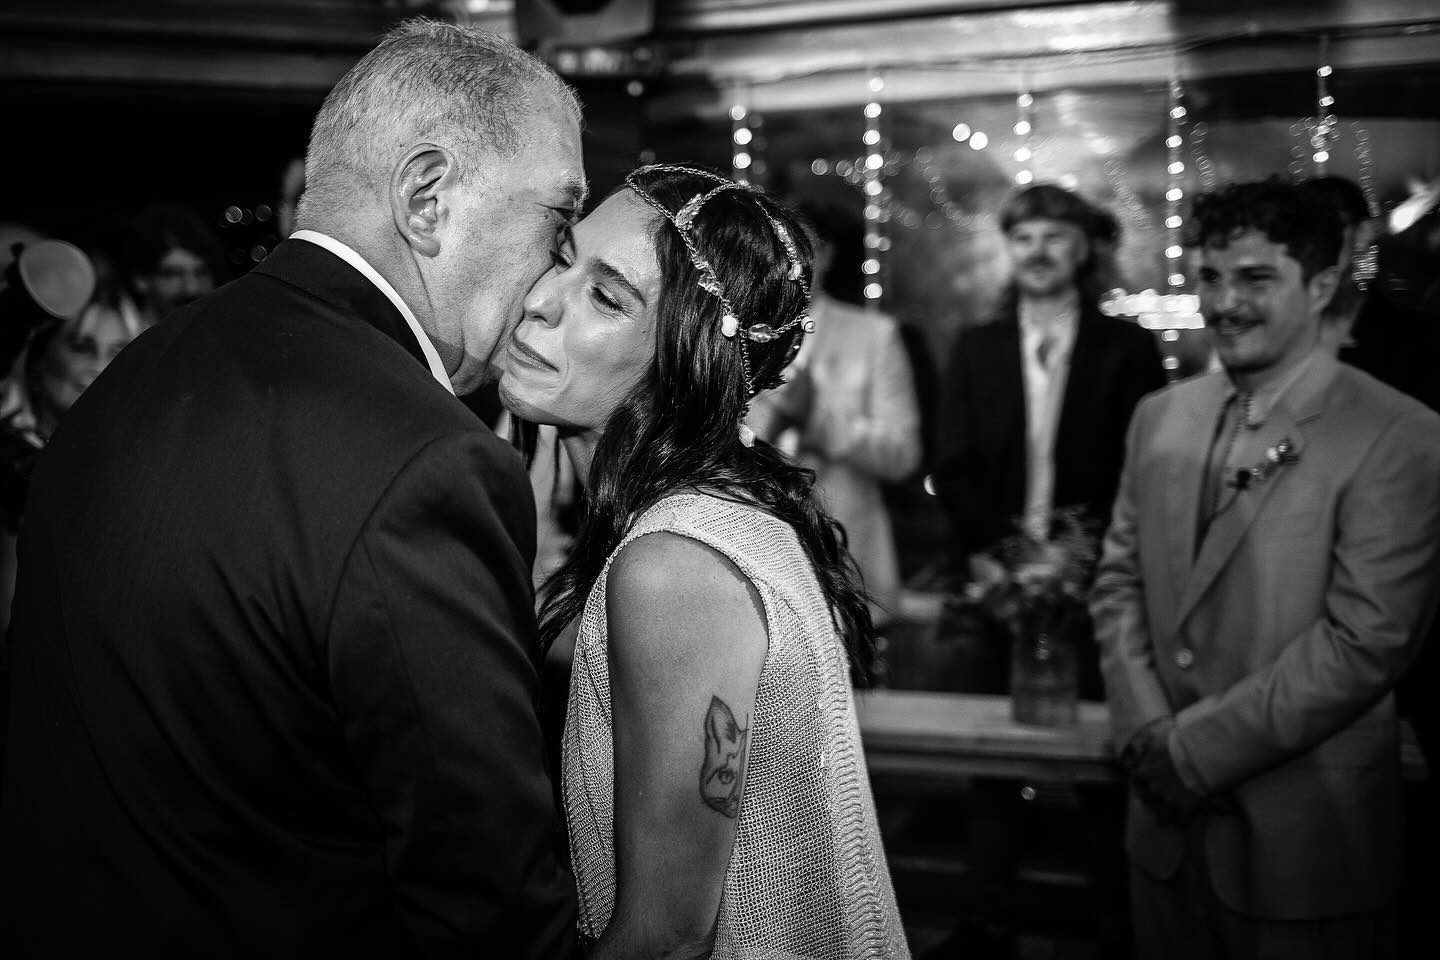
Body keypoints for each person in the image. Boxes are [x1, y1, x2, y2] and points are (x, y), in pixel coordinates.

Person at [0, 19, 585, 957]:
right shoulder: (425, 459)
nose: (557, 279)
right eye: (559, 222)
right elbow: (486, 901)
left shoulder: (132, 375)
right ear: (427, 199)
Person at [498, 163, 910, 958]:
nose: (540, 301)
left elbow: (667, 938)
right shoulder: (720, 508)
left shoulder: (674, 564)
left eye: (607, 296)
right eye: (560, 258)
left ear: (686, 358)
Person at [1090, 178, 1440, 960]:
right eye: (1210, 277)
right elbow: (1118, 583)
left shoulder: (1400, 433)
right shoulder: (1160, 414)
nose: (1223, 304)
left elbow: (1365, 641)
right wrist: (1147, 732)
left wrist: (1193, 751)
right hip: (1159, 831)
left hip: (1306, 843)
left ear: (1321, 285)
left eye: (1255, 279)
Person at [932, 182, 1166, 698]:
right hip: (990, 576)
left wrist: (1072, 556)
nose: (1037, 251)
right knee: (990, 743)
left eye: (1054, 237)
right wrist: (1014, 553)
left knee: (1091, 736)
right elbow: (951, 465)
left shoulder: (1128, 348)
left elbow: (1142, 467)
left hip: (1097, 578)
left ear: (1083, 248)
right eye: (1023, 237)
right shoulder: (976, 347)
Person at [747, 201, 922, 630]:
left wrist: (817, 418)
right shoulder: (737, 332)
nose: (787, 255)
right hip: (753, 552)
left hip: (849, 561)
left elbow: (903, 454)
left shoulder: (874, 335)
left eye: (801, 244)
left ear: (825, 254)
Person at [123, 201, 228, 326]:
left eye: (201, 273)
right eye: (173, 274)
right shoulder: (118, 342)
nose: (192, 288)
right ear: (141, 279)